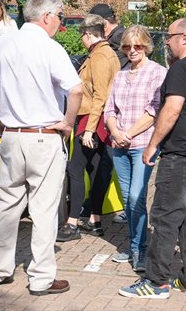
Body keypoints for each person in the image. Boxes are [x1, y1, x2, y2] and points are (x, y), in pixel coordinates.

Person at [0, 0, 83, 296]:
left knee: (6, 204)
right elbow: (76, 90)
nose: (60, 22)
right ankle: (42, 277)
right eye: (59, 16)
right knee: (44, 209)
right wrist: (68, 124)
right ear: (46, 17)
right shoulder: (50, 48)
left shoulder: (2, 44)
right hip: (43, 136)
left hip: (12, 135)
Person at [119, 17, 186, 299]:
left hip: (182, 154)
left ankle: (156, 281)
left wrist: (153, 145)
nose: (166, 41)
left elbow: (173, 109)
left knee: (164, 215)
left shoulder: (180, 68)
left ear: (185, 38)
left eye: (170, 36)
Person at [104, 25, 167, 272]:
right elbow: (109, 109)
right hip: (119, 144)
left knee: (135, 198)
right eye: (128, 47)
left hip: (142, 145)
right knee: (128, 199)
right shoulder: (120, 74)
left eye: (137, 46)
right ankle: (133, 246)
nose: (132, 50)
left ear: (147, 46)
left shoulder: (157, 73)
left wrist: (127, 134)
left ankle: (140, 250)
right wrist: (115, 132)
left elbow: (154, 110)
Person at [58, 14, 120, 243]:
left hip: (91, 120)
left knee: (75, 169)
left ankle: (72, 222)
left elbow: (100, 96)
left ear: (87, 34)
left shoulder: (101, 56)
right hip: (96, 120)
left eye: (82, 35)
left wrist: (89, 130)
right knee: (95, 170)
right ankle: (94, 220)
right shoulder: (104, 53)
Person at [89, 3, 128, 69]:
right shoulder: (117, 35)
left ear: (104, 24)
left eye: (94, 25)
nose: (92, 30)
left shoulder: (119, 36)